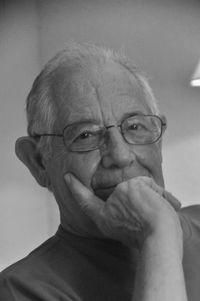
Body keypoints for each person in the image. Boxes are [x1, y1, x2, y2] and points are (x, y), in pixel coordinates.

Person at [0, 42, 199, 301]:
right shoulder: (22, 290)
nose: (121, 155)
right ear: (38, 162)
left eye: (135, 127)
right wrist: (159, 235)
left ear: (158, 140)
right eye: (85, 135)